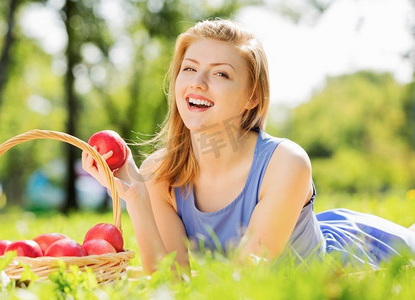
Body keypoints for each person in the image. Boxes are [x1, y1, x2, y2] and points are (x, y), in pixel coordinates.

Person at [82, 18, 415, 273]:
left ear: (253, 95)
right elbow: (172, 282)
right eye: (189, 68)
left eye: (221, 74)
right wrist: (137, 196)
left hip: (355, 263)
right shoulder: (158, 171)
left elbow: (245, 283)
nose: (198, 82)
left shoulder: (286, 163)